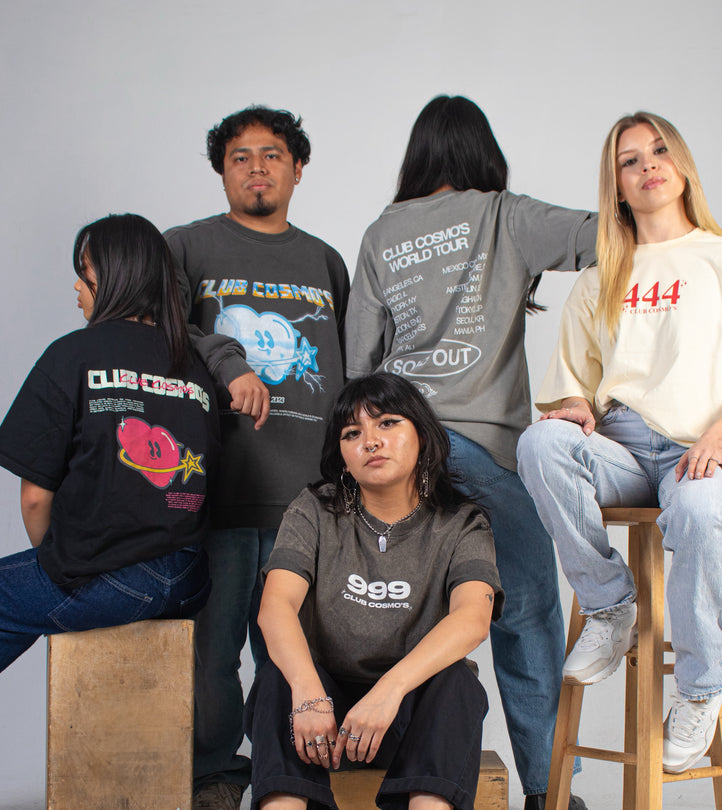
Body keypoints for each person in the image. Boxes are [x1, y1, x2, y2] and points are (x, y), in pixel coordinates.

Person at [517, 111, 722, 775]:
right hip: (619, 444)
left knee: (701, 506)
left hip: (705, 442)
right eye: (630, 160)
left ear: (682, 166)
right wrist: (575, 409)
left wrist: (718, 438)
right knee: (539, 444)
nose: (648, 165)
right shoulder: (600, 277)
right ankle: (612, 606)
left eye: (660, 151)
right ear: (616, 185)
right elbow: (574, 388)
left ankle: (700, 688)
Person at [344, 95, 596, 810]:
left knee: (403, 617)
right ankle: (551, 796)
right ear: (484, 154)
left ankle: (405, 781)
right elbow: (606, 237)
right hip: (483, 452)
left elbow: (359, 366)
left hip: (399, 450)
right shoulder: (503, 215)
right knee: (527, 617)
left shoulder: (383, 232)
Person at [164, 106, 349, 808]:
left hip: (309, 498)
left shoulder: (324, 260)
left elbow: (350, 370)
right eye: (239, 157)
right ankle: (215, 777)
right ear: (222, 172)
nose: (256, 168)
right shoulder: (186, 247)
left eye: (271, 154)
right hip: (216, 488)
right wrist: (230, 360)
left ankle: (287, 781)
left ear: (298, 169)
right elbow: (160, 328)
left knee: (293, 655)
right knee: (212, 654)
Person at [244, 372, 503, 810]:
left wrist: (388, 692)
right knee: (276, 678)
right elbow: (276, 606)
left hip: (410, 719)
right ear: (343, 457)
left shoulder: (462, 523)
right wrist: (309, 694)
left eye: (387, 423)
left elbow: (472, 619)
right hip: (319, 719)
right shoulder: (314, 509)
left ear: (422, 436)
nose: (370, 441)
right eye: (352, 432)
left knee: (458, 683)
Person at [0, 213, 219, 673]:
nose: (76, 286)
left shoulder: (72, 354)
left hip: (115, 580)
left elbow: (35, 497)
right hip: (189, 578)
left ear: (115, 275)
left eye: (84, 272)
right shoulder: (194, 366)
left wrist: (57, 567)